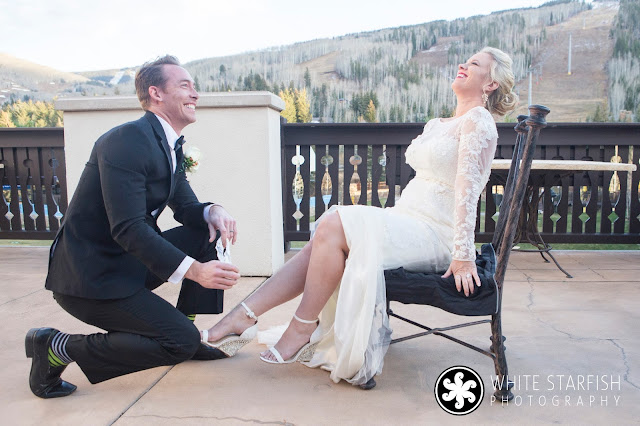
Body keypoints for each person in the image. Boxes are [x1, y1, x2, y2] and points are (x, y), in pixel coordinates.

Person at [201, 47, 518, 386]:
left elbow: (468, 192)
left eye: (474, 64)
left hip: (434, 233)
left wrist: (464, 255)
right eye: (465, 61)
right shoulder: (438, 124)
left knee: (333, 222)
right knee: (326, 231)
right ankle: (244, 315)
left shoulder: (478, 121)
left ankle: (297, 327)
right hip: (406, 219)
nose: (463, 65)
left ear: (490, 84)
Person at [25, 55, 241, 398]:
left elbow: (187, 208)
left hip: (126, 265)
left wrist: (213, 211)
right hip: (91, 279)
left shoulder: (167, 144)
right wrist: (196, 271)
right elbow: (127, 228)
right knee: (177, 343)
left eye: (194, 86)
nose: (195, 93)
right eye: (185, 85)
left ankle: (185, 328)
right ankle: (56, 347)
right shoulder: (125, 141)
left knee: (206, 229)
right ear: (156, 93)